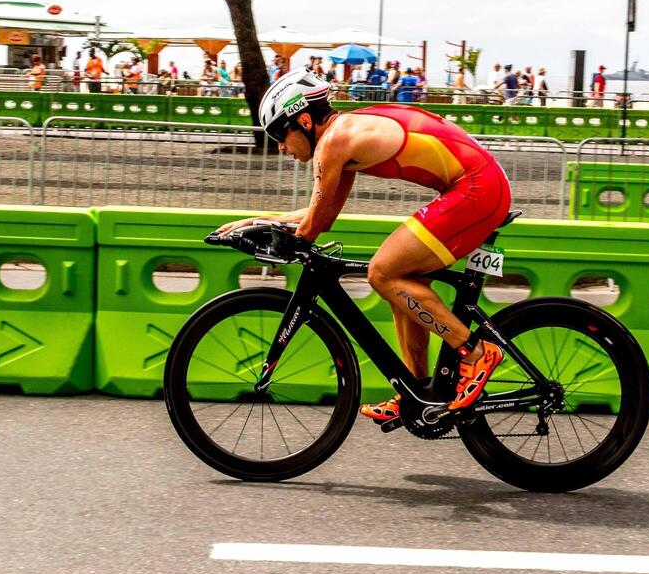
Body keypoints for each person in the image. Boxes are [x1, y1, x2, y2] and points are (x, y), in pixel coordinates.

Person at [214, 70, 512, 424]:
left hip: (476, 189)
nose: (280, 146)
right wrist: (258, 220)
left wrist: (265, 231)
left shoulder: (334, 143)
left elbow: (310, 230)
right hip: (476, 186)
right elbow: (319, 217)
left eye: (281, 134)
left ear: (304, 120)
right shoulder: (346, 135)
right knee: (401, 282)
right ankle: (418, 391)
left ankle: (475, 353)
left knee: (383, 272)